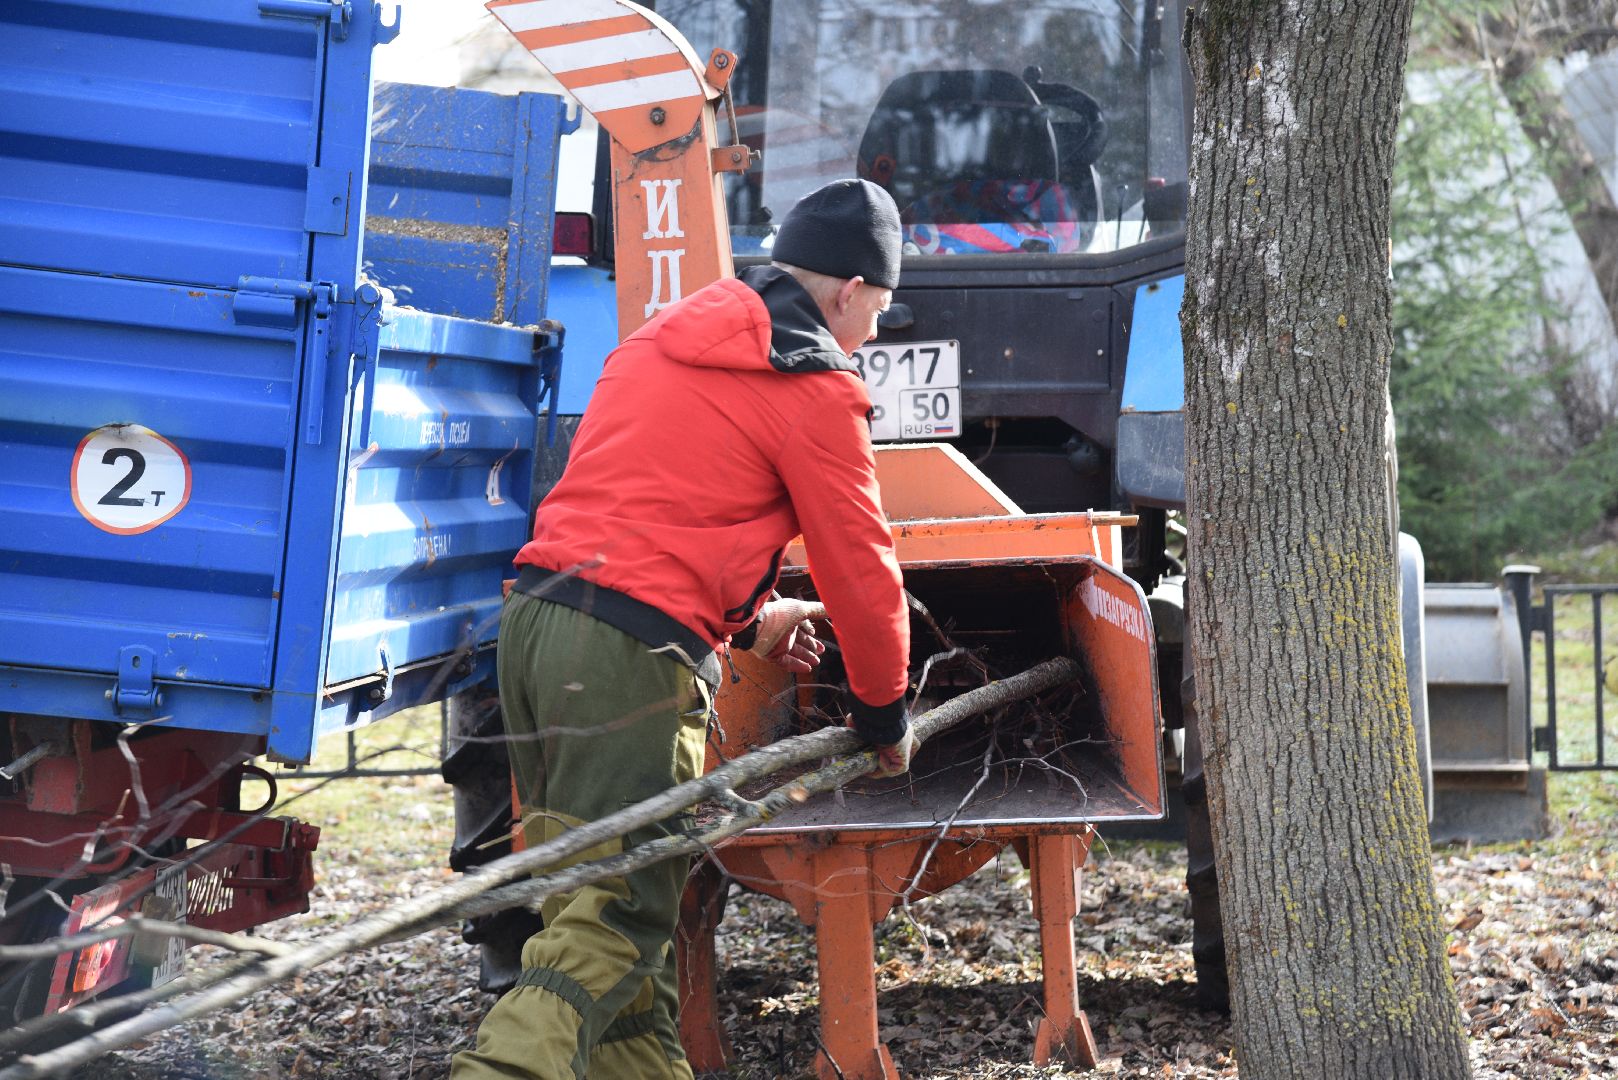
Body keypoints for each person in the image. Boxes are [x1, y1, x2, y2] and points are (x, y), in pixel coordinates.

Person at [452, 178, 915, 1080]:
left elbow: (646, 509)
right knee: (613, 916)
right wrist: (883, 715)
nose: (870, 336)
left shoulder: (657, 343)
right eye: (879, 314)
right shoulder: (814, 385)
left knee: (613, 933)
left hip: (540, 631)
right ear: (852, 290)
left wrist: (750, 622)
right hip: (629, 665)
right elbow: (861, 571)